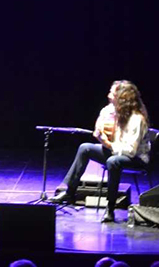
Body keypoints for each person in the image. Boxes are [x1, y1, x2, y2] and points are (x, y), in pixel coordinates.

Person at [49, 80, 150, 223]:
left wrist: (106, 143)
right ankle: (69, 193)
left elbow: (131, 151)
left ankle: (110, 209)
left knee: (112, 161)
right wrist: (100, 126)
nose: (109, 96)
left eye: (112, 93)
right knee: (85, 148)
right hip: (117, 153)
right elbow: (105, 112)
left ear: (122, 98)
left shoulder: (136, 119)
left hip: (136, 159)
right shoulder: (118, 111)